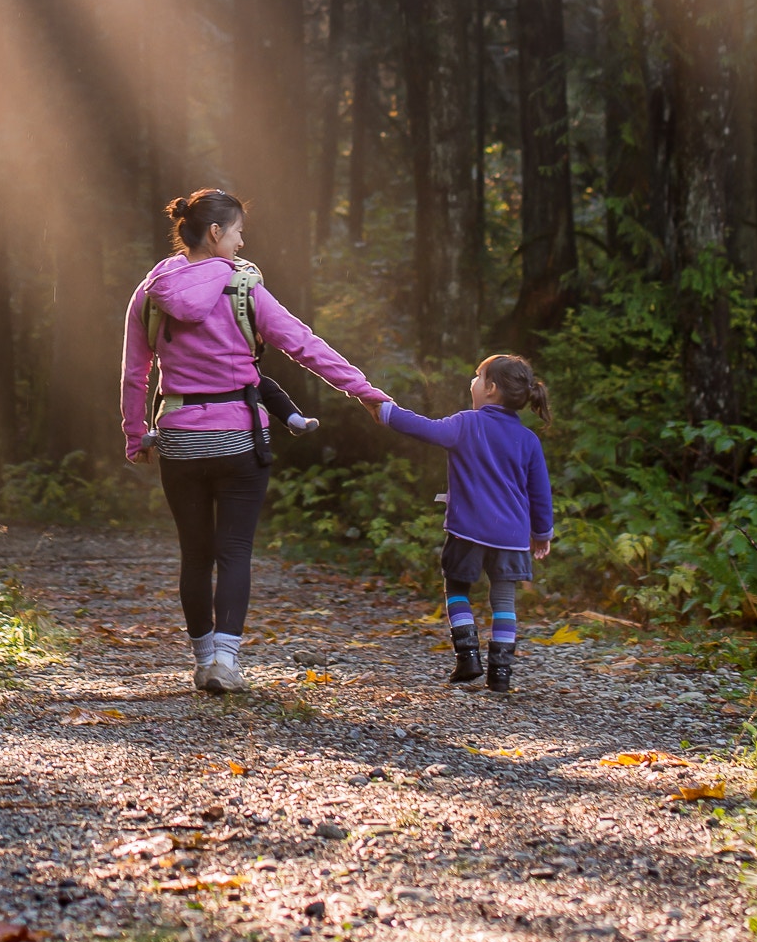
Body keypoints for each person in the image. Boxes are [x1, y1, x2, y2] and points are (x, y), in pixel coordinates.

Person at [122, 186, 391, 692]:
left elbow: (135, 373)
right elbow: (303, 345)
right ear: (217, 232)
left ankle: (203, 662)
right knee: (235, 551)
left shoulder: (150, 290)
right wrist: (365, 392)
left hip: (179, 438)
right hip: (240, 439)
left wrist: (137, 434)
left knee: (195, 554)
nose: (243, 244)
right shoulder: (243, 288)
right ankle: (226, 661)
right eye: (240, 232)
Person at [372, 355, 554, 694]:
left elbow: (424, 427)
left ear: (491, 388)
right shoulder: (528, 440)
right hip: (512, 536)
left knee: (456, 588)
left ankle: (468, 656)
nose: (472, 382)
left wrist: (385, 411)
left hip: (468, 529)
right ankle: (501, 673)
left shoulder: (466, 424)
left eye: (477, 376)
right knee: (504, 601)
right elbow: (540, 492)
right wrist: (541, 534)